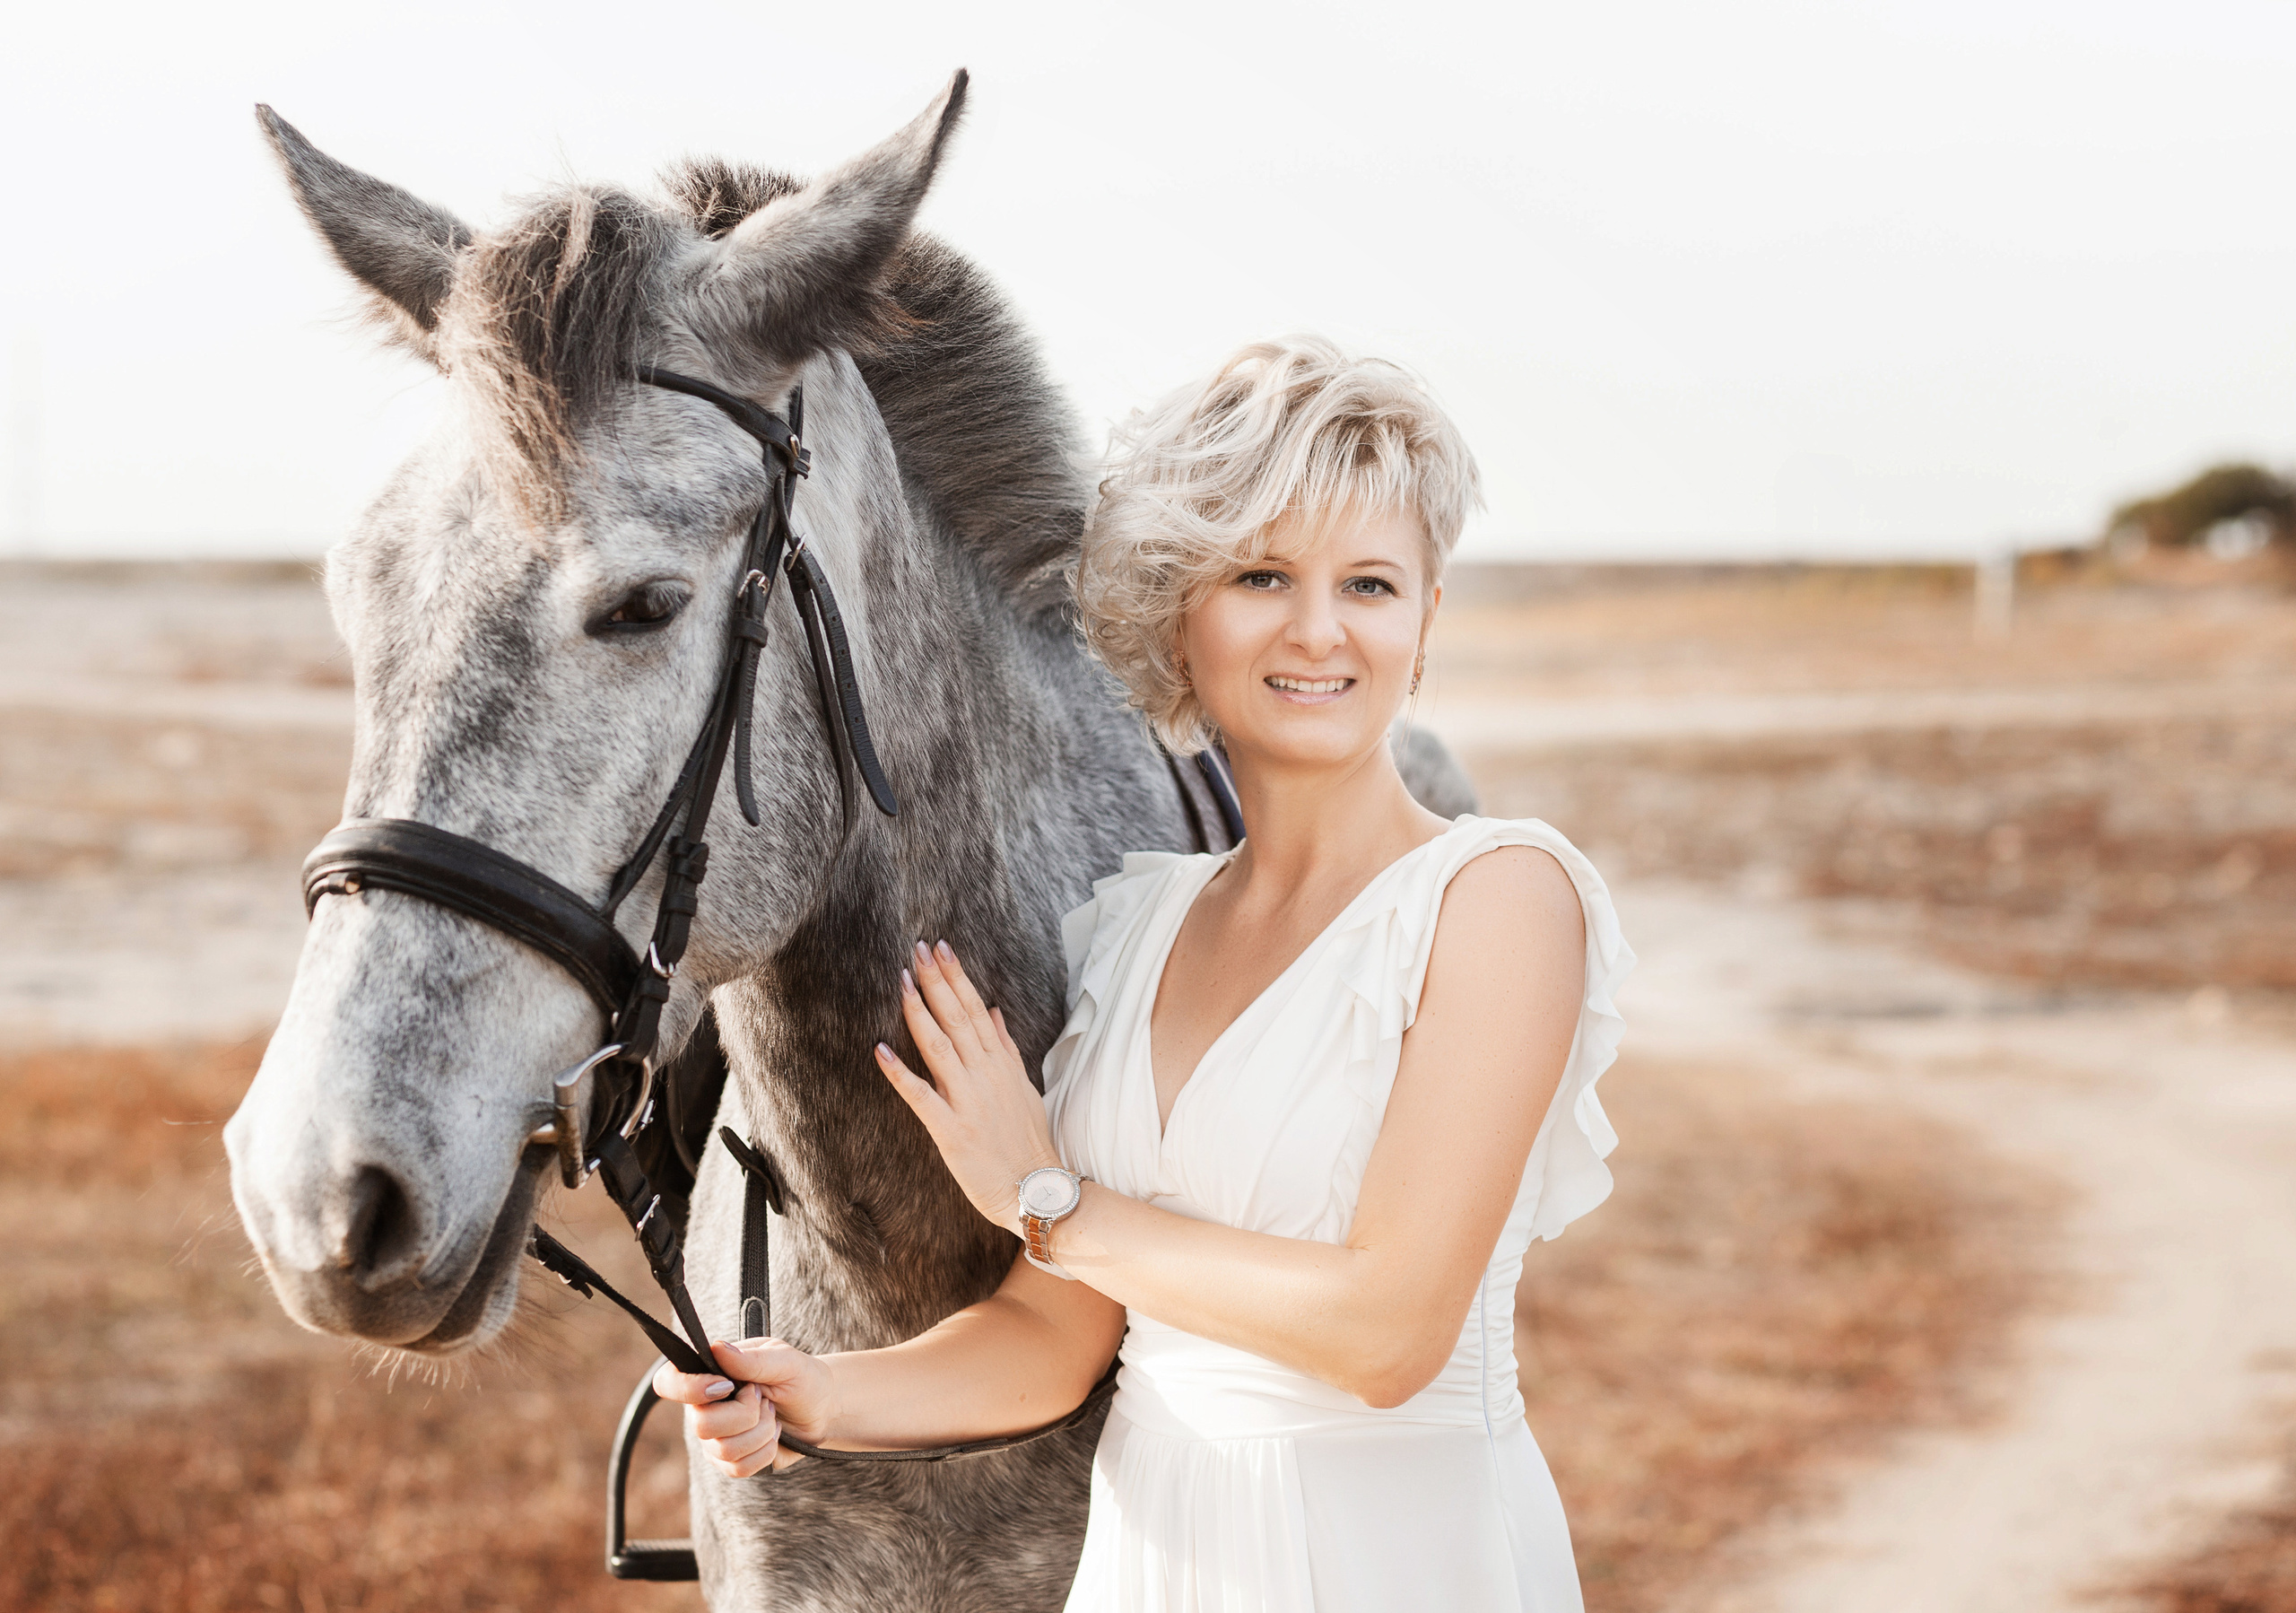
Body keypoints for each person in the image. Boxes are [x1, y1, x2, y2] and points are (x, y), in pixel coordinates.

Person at [656, 334, 1634, 1611]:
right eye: (1264, 574)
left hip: (1397, 1557)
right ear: (1183, 604)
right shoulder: (1138, 927)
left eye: (1374, 584)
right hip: (1156, 1562)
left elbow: (1387, 1333)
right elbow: (1057, 1337)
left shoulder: (1498, 897)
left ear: (1428, 616)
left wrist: (1043, 1194)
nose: (1319, 630)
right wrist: (824, 1391)